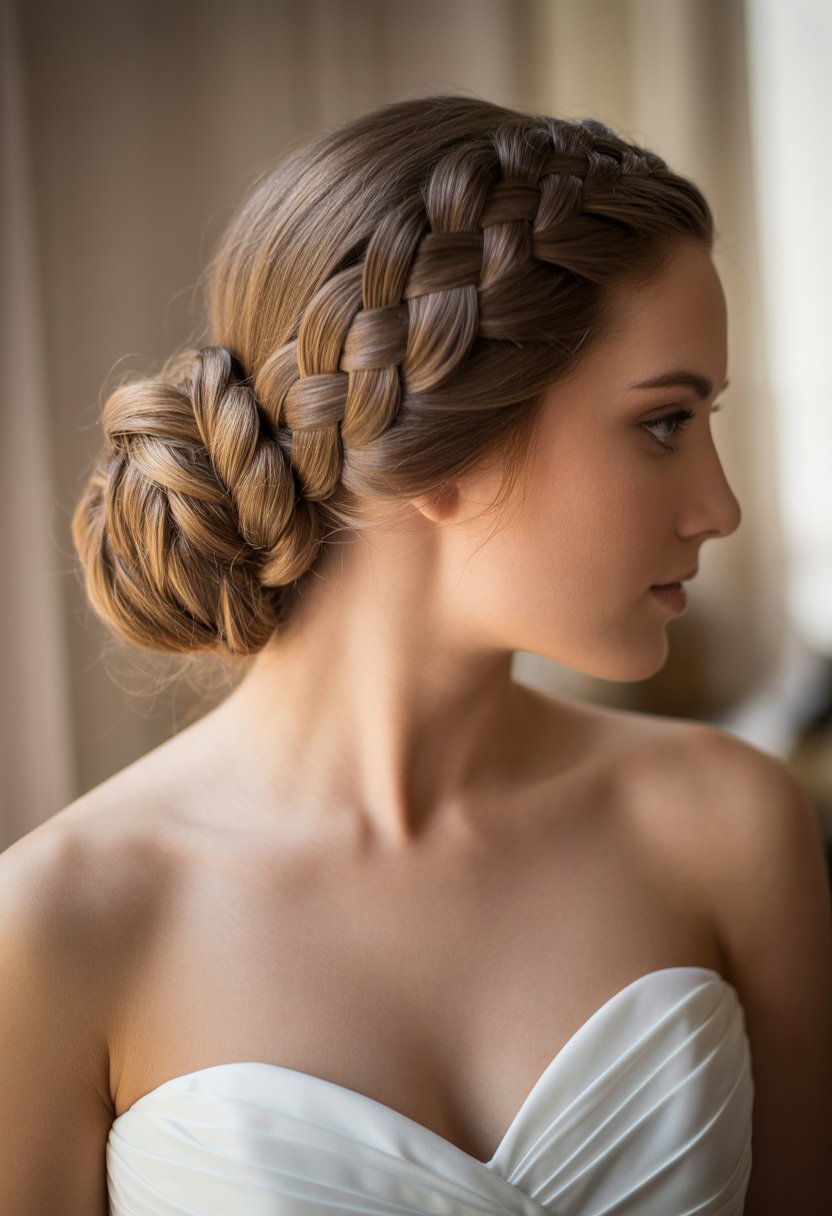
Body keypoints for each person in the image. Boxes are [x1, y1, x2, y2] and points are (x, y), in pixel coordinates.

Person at [1, 95, 829, 1216]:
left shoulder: (728, 824)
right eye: (665, 423)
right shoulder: (62, 921)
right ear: (435, 443)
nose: (719, 506)